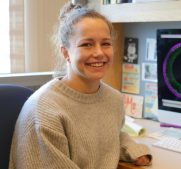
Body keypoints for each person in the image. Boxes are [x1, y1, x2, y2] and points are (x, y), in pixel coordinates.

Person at [9, 1, 151, 169]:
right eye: (87, 44)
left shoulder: (114, 99)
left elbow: (110, 136)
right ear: (65, 52)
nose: (99, 53)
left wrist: (133, 150)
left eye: (105, 43)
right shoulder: (44, 111)